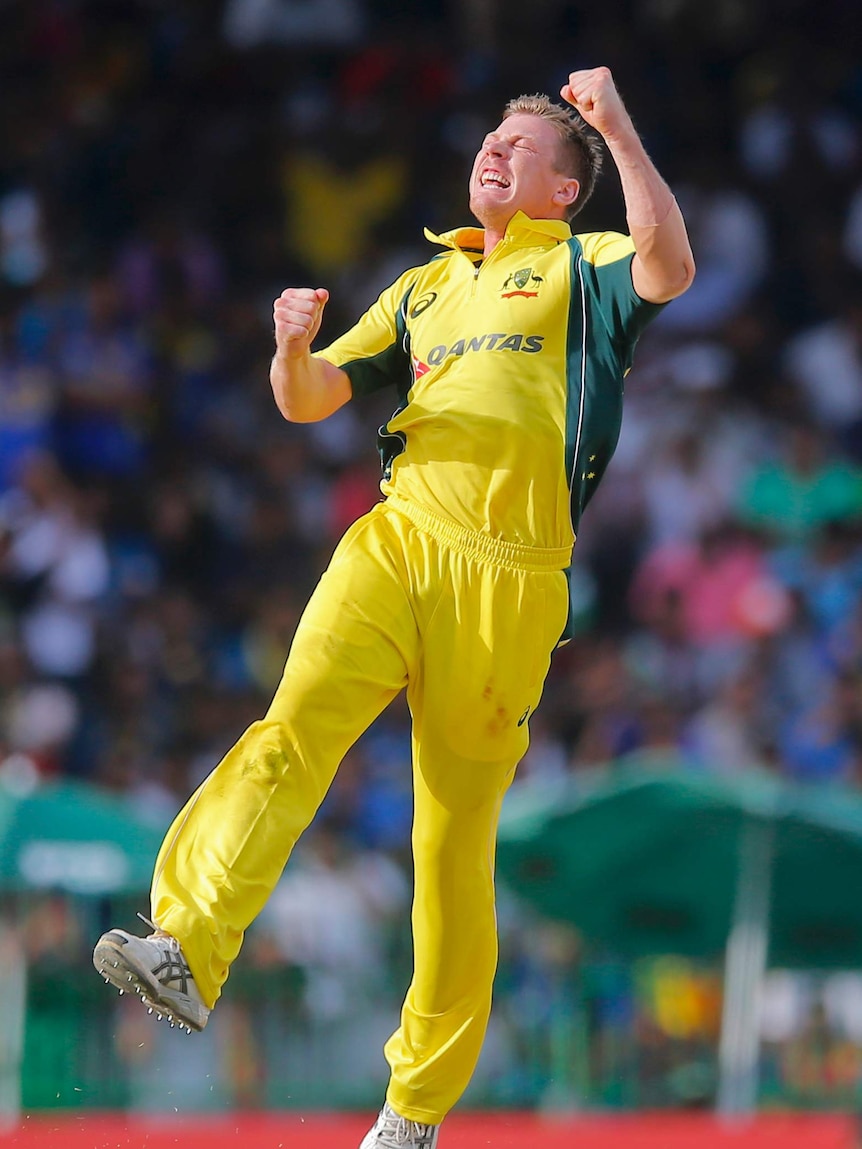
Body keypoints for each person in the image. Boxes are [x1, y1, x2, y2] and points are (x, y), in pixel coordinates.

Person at [93, 67, 694, 1147]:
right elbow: (313, 397)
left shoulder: (584, 267)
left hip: (511, 579)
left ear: (566, 193)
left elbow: (670, 263)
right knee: (292, 726)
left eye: (522, 148)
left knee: (448, 845)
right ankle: (186, 942)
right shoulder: (424, 287)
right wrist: (287, 344)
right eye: (490, 140)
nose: (493, 155)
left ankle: (412, 1111)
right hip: (398, 535)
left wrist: (614, 126)